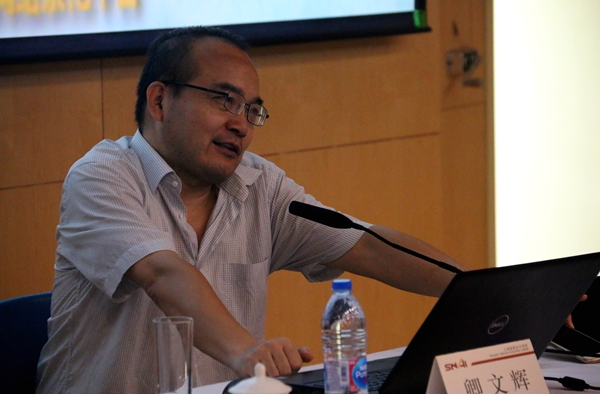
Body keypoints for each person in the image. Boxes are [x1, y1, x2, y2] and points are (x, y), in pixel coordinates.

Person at [35, 26, 465, 393]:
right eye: (224, 100)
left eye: (252, 109)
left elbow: (368, 247)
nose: (240, 123)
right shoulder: (102, 176)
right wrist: (246, 352)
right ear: (160, 100)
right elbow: (163, 272)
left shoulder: (260, 186)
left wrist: (475, 291)